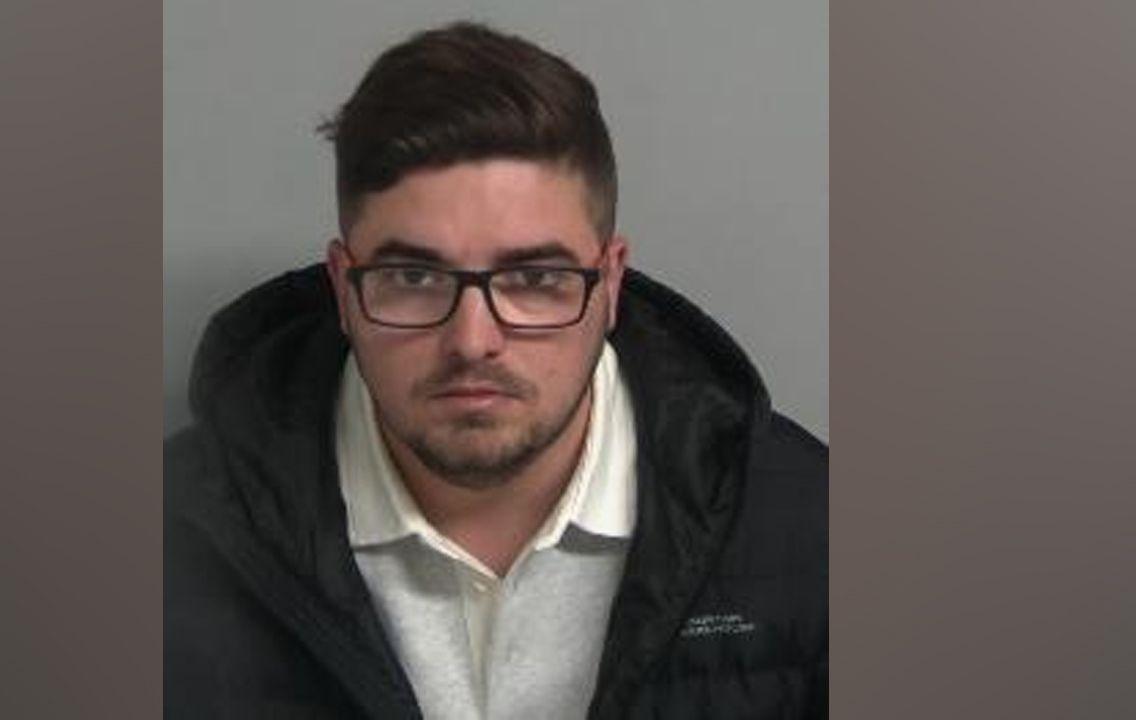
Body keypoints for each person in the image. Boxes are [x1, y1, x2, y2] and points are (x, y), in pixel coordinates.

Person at [164, 21, 826, 719]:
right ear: (342, 287)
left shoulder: (814, 536)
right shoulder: (165, 548)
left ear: (609, 284)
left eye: (535, 277)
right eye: (414, 275)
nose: (473, 340)